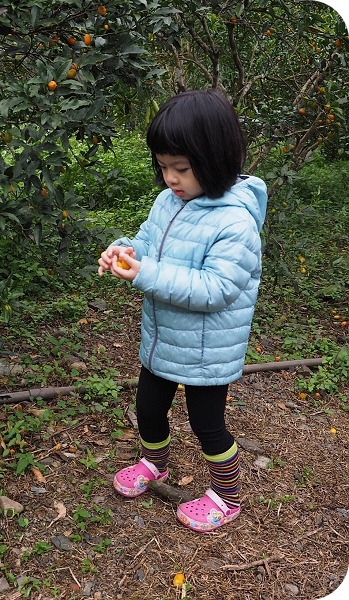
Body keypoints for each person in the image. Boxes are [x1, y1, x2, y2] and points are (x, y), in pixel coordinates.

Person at [98, 89, 268, 533]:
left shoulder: (236, 223)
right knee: (149, 410)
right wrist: (123, 253)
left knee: (207, 425)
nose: (170, 178)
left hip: (207, 350)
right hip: (162, 339)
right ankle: (155, 463)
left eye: (181, 168)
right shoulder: (168, 202)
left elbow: (215, 289)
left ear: (214, 159)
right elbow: (147, 244)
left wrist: (145, 274)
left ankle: (226, 496)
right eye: (163, 167)